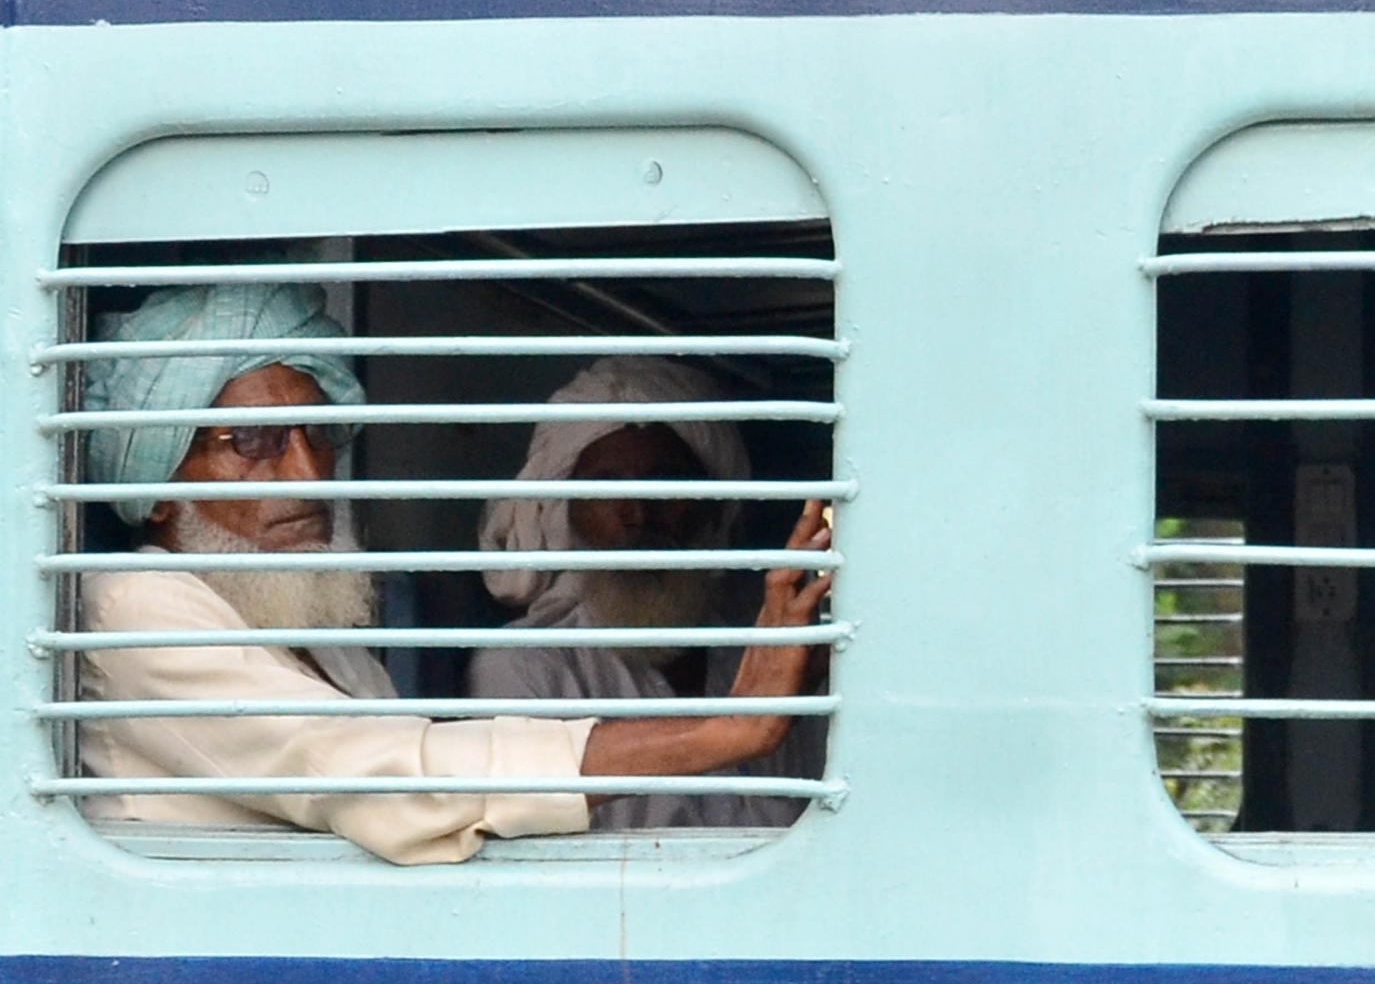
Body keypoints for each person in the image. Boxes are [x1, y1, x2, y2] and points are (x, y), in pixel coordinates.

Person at [75, 284, 831, 865]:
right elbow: (388, 781)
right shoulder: (136, 608)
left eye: (322, 436)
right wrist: (726, 732)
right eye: (256, 442)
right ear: (163, 487)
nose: (309, 476)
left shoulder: (304, 633)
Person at [468, 357, 826, 829]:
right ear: (563, 514)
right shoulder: (526, 669)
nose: (637, 510)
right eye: (605, 485)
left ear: (715, 508)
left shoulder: (771, 659)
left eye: (667, 481)